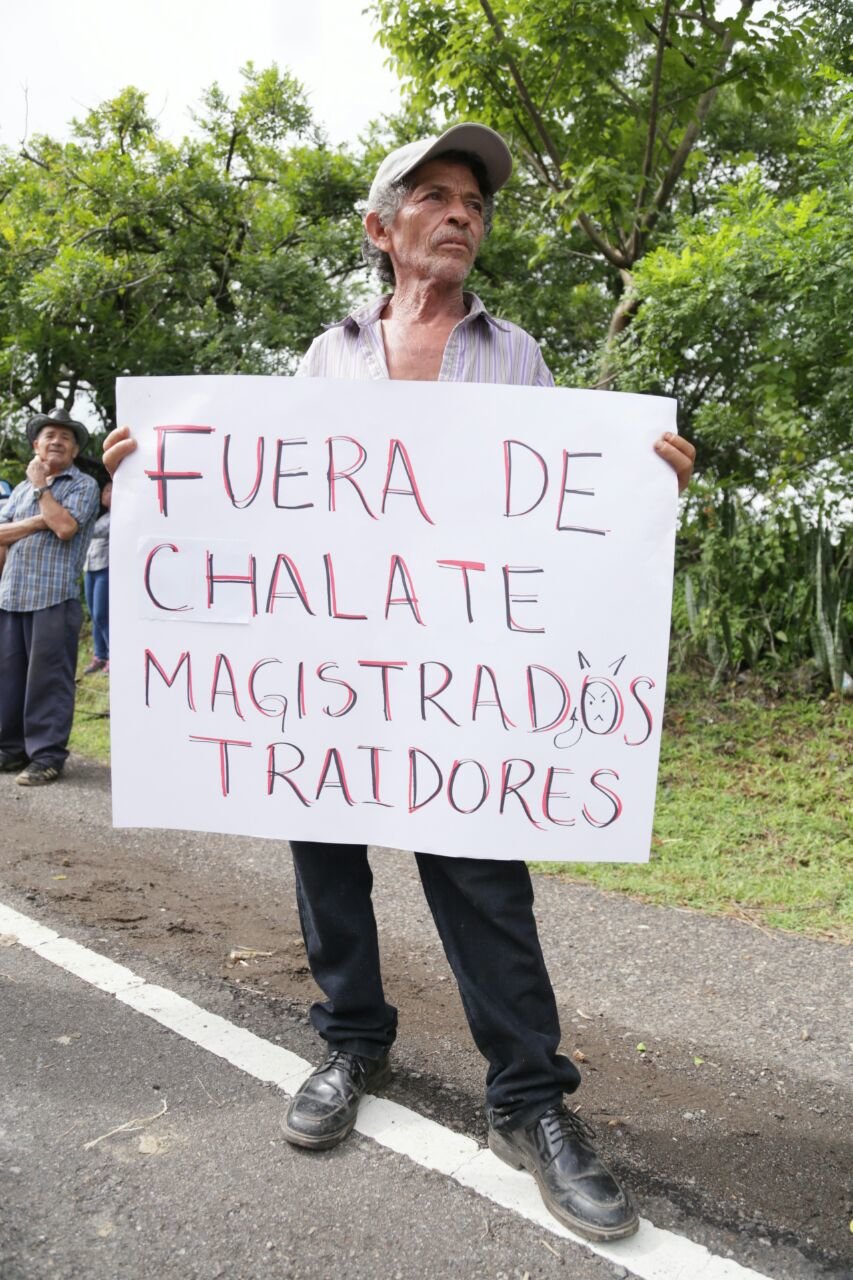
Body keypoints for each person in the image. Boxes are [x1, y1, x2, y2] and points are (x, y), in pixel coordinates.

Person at [103, 123, 694, 1243]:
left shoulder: (515, 356)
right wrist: (149, 478)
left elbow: (561, 512)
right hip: (333, 680)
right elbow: (254, 493)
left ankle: (529, 1102)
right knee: (325, 862)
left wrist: (645, 479)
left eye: (474, 198)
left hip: (457, 684)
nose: (462, 210)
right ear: (382, 229)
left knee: (482, 881)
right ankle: (350, 1037)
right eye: (435, 192)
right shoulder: (324, 359)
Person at [0, 406, 99, 785]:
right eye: (49, 436)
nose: (57, 441)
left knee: (48, 680)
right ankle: (11, 749)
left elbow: (63, 528)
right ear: (35, 446)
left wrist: (43, 491)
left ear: (74, 451)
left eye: (66, 437)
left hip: (53, 597)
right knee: (9, 677)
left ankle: (46, 756)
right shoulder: (21, 490)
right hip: (10, 595)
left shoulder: (82, 485)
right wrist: (33, 521)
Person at [82, 479, 112, 674]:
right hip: (90, 567)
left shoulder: (117, 517)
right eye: (105, 490)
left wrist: (78, 523)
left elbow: (94, 532)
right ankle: (99, 655)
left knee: (102, 614)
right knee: (94, 614)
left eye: (110, 490)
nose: (106, 494)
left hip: (105, 568)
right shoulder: (102, 516)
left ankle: (113, 655)